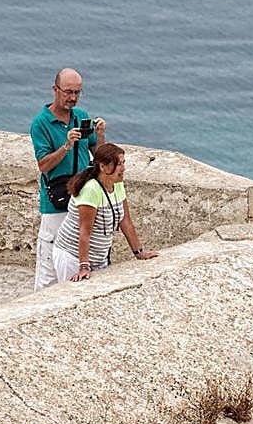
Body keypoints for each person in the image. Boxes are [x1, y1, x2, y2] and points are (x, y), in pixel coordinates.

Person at [30, 69, 106, 290]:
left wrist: (100, 135)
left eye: (77, 92)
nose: (73, 98)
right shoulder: (41, 123)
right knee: (49, 271)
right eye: (68, 92)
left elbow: (99, 157)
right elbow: (43, 165)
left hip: (81, 199)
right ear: (55, 90)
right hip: (56, 202)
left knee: (77, 261)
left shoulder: (81, 116)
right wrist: (66, 146)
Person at [51, 142, 158, 283]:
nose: (123, 168)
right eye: (118, 164)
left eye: (123, 163)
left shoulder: (117, 184)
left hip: (99, 258)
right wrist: (83, 266)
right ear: (103, 167)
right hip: (72, 257)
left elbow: (125, 221)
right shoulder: (91, 190)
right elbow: (84, 231)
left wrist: (139, 252)